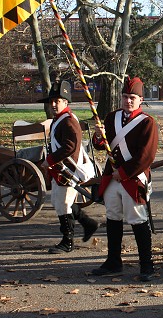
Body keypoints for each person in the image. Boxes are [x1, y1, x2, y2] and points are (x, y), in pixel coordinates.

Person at [90, 77, 159, 281]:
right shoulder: (112, 118)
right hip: (113, 177)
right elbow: (103, 146)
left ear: (141, 99)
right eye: (125, 97)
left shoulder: (147, 122)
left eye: (132, 98)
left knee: (138, 220)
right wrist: (98, 137)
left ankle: (146, 264)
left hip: (133, 178)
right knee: (113, 217)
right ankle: (113, 261)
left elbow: (147, 156)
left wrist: (125, 172)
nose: (128, 101)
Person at [39, 80, 98, 254]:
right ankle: (88, 224)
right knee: (59, 202)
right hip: (61, 168)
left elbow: (69, 147)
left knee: (63, 204)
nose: (54, 104)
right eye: (52, 101)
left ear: (66, 102)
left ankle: (67, 241)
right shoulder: (61, 119)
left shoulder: (68, 121)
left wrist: (49, 160)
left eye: (58, 101)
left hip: (68, 168)